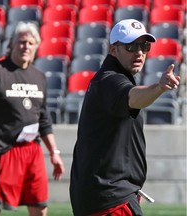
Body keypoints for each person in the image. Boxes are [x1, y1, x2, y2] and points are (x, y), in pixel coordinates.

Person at [69, 19, 181, 216]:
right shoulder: (109, 79)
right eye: (131, 46)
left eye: (144, 46)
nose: (139, 52)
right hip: (110, 198)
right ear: (113, 50)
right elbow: (133, 97)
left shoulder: (112, 77)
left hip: (106, 195)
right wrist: (160, 87)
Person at [0, 22, 65, 216]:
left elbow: (44, 119)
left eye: (31, 43)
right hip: (4, 150)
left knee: (40, 206)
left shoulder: (39, 77)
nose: (26, 47)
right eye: (22, 42)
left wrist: (54, 152)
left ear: (37, 47)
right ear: (12, 44)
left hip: (32, 150)